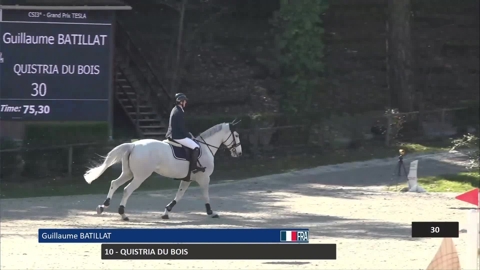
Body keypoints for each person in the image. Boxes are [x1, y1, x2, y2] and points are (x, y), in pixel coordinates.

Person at [166, 93, 205, 174]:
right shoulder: (178, 111)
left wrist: (188, 134)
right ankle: (193, 167)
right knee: (196, 147)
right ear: (181, 102)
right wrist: (188, 136)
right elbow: (180, 127)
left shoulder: (177, 109)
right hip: (177, 135)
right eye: (184, 101)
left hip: (175, 134)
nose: (185, 103)